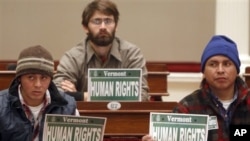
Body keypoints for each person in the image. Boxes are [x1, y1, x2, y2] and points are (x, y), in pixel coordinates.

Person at [142, 35, 250, 141]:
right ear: (203, 71)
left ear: (237, 70)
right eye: (213, 64)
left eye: (227, 64)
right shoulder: (186, 108)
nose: (220, 70)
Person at [53, 0, 149, 101]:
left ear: (116, 26)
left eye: (108, 21)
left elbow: (142, 96)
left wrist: (82, 96)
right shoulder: (73, 57)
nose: (103, 27)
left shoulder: (131, 54)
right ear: (85, 27)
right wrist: (121, 94)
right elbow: (57, 93)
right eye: (97, 21)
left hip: (122, 116)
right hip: (86, 116)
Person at [0, 45, 79, 141]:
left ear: (51, 80)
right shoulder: (1, 104)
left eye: (44, 78)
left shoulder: (67, 106)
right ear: (19, 78)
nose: (38, 84)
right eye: (31, 77)